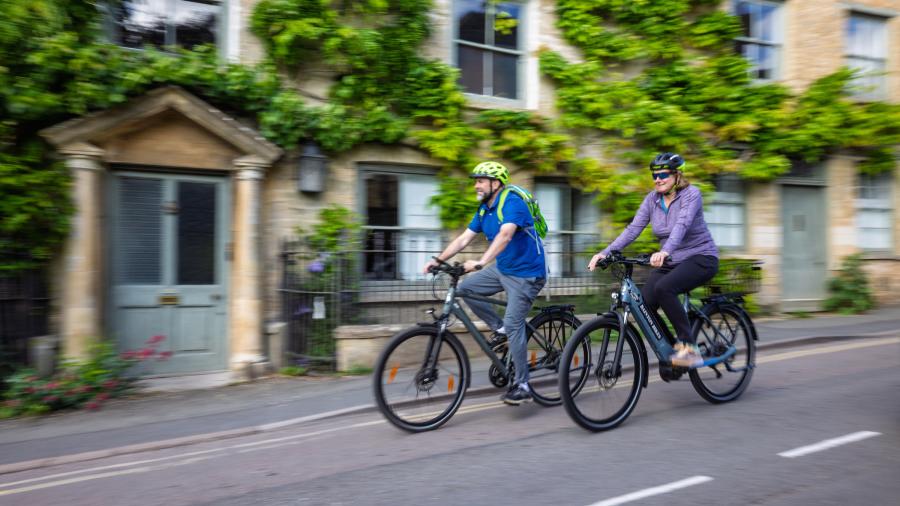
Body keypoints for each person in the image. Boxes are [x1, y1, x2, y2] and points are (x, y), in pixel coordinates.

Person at [423, 161, 547, 405]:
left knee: (514, 324)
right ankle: (499, 329)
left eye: (480, 180)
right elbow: (463, 239)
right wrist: (438, 260)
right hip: (503, 269)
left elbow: (505, 235)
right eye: (475, 181)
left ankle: (522, 384)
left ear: (496, 183)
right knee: (465, 289)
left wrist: (480, 262)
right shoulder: (484, 209)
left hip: (527, 274)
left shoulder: (512, 202)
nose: (476, 185)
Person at [588, 153, 719, 368]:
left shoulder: (691, 194)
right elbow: (633, 230)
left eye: (663, 174)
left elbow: (682, 226)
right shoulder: (652, 199)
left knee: (665, 288)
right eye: (654, 175)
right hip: (672, 260)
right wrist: (606, 252)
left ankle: (689, 347)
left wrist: (665, 251)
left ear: (677, 175)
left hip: (700, 257)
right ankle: (671, 353)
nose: (658, 179)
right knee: (645, 303)